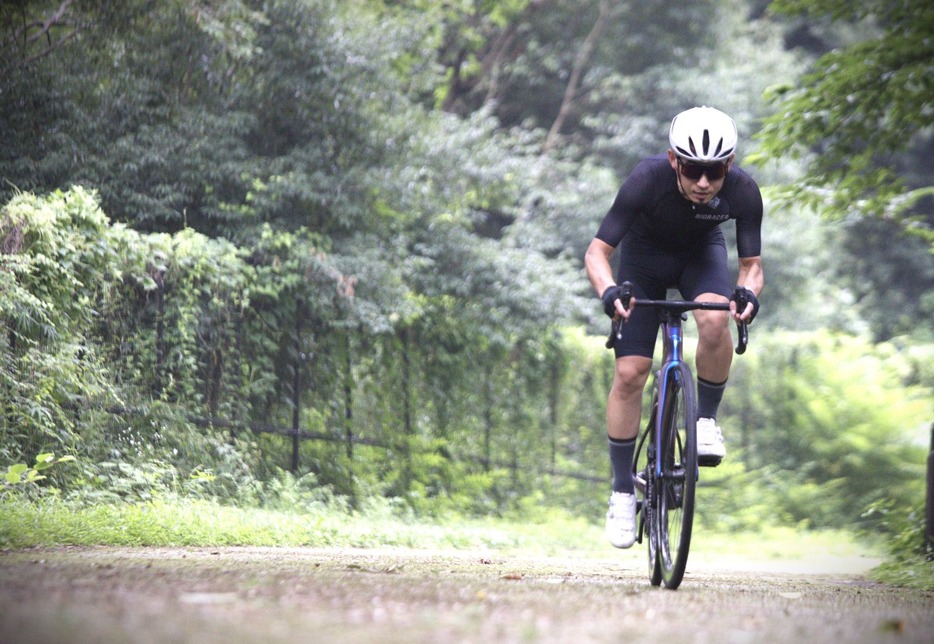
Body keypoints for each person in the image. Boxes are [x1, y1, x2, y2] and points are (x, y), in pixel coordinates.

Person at [584, 106, 763, 549]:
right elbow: (596, 253)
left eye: (714, 172)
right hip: (642, 262)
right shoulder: (646, 180)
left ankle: (704, 420)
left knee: (715, 316)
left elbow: (751, 267)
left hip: (699, 257)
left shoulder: (743, 191)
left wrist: (748, 294)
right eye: (693, 170)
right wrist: (609, 291)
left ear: (730, 166)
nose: (704, 183)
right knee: (630, 373)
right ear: (673, 160)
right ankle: (623, 490)